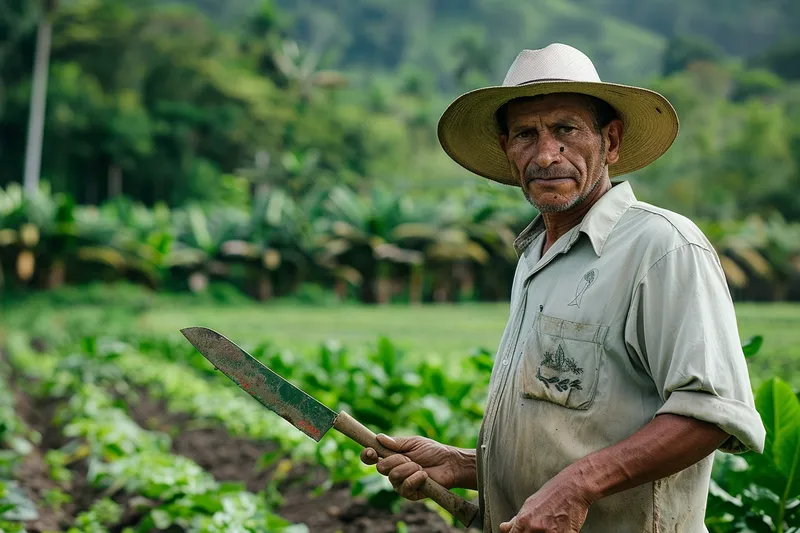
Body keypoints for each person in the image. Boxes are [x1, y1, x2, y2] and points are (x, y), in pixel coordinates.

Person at [360, 43, 766, 533]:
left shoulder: (662, 248)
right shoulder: (535, 256)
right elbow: (571, 429)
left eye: (565, 130)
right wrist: (465, 465)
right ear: (507, 151)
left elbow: (710, 414)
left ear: (610, 142)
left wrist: (580, 485)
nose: (546, 153)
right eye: (526, 134)